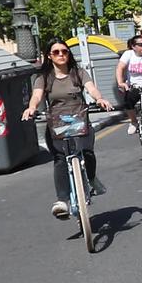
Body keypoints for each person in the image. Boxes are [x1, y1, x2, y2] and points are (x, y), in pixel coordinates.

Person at [21, 40, 112, 217]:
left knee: (87, 152)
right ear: (49, 56)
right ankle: (62, 200)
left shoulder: (78, 74)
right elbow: (37, 96)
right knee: (60, 158)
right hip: (56, 124)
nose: (61, 54)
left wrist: (100, 99)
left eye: (64, 51)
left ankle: (91, 178)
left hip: (80, 120)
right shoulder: (44, 79)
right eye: (56, 52)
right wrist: (31, 108)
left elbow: (92, 89)